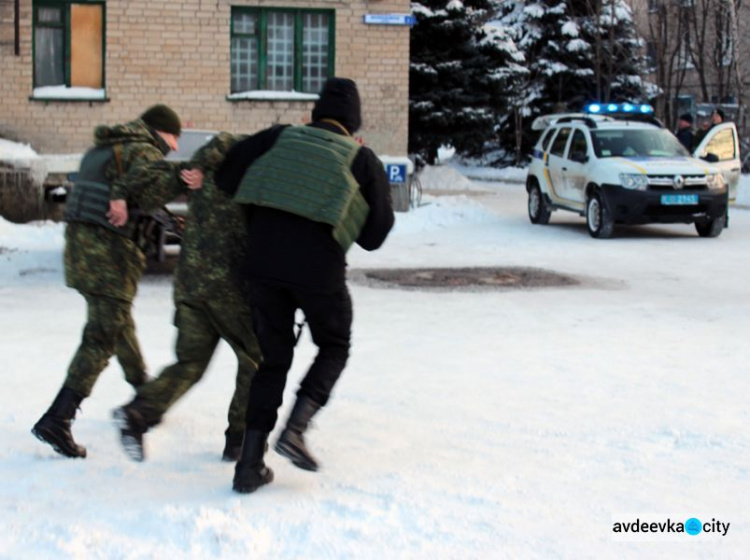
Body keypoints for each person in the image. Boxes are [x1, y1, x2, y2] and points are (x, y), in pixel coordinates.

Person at [216, 77, 395, 494]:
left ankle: (249, 466)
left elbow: (226, 175)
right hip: (319, 272)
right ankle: (295, 429)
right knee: (334, 344)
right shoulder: (360, 158)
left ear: (315, 113)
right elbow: (374, 235)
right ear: (353, 124)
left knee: (271, 360)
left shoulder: (279, 137)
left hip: (261, 265)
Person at [31, 105, 184, 459]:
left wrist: (171, 224)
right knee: (101, 336)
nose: (175, 147)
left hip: (81, 252)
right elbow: (148, 190)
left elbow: (131, 195)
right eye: (174, 138)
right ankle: (59, 417)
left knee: (117, 321)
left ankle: (143, 392)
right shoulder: (142, 150)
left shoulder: (103, 149)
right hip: (109, 255)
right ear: (159, 131)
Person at [112, 132, 262, 462]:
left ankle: (138, 412)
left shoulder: (199, 174)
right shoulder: (249, 176)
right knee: (255, 358)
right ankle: (240, 441)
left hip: (189, 286)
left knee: (190, 363)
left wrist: (120, 194)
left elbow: (143, 178)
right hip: (227, 290)